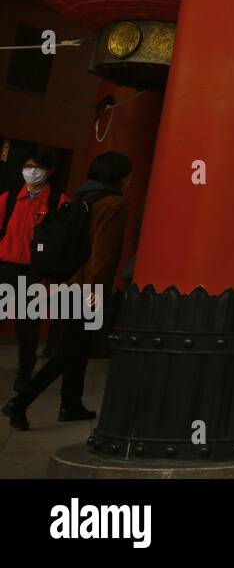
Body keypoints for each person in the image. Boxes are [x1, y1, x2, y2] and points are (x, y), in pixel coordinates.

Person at [3, 151, 130, 430]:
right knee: (67, 352)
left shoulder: (82, 198)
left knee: (79, 347)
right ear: (122, 177)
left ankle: (71, 404)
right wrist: (96, 292)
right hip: (86, 288)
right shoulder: (113, 204)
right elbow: (103, 254)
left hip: (64, 282)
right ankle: (19, 403)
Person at [0, 147, 67, 392]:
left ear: (50, 172)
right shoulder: (7, 199)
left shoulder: (59, 202)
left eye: (38, 168)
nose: (32, 172)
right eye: (28, 167)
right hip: (4, 267)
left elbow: (63, 241)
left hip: (34, 273)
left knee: (27, 327)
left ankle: (24, 372)